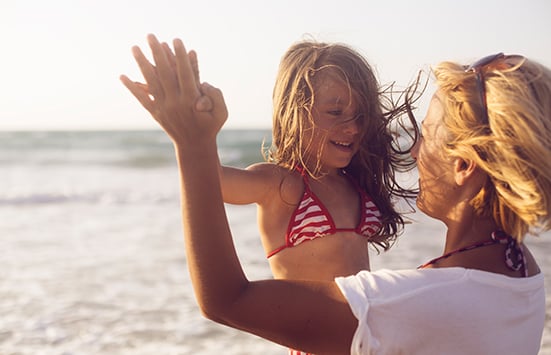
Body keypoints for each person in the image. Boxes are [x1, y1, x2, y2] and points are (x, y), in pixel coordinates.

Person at [121, 35, 549, 354]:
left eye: (427, 136)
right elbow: (213, 184)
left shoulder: (406, 303)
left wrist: (191, 142)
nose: (414, 150)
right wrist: (200, 145)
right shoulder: (525, 281)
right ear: (296, 110)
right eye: (335, 113)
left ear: (463, 165)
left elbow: (227, 300)